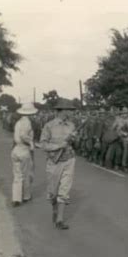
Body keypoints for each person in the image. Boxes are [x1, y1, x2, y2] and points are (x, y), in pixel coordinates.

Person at [39, 99, 78, 230]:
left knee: (64, 190)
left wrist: (74, 139)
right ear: (62, 111)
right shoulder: (49, 126)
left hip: (69, 159)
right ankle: (54, 209)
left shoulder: (72, 125)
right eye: (69, 110)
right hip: (54, 162)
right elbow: (43, 144)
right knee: (53, 192)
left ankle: (60, 220)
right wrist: (58, 146)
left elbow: (74, 144)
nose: (71, 112)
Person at [11, 103, 38, 207]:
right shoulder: (27, 122)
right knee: (26, 174)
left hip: (16, 149)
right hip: (23, 149)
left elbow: (17, 136)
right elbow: (23, 135)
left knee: (17, 175)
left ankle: (16, 198)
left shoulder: (18, 122)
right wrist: (31, 142)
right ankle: (26, 196)